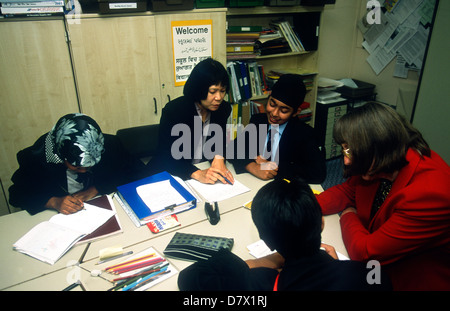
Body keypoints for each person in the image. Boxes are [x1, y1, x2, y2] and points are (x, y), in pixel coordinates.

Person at [316, 102, 450, 291]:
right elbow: (348, 191)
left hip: (407, 276)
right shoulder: (376, 159)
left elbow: (367, 253)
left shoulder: (431, 194)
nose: (346, 160)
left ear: (378, 147)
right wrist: (304, 206)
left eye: (350, 150)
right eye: (345, 149)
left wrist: (348, 214)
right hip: (376, 255)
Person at [177, 178, 391, 291]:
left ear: (267, 241)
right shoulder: (373, 274)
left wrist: (259, 262)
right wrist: (335, 267)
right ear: (322, 223)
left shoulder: (258, 282)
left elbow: (188, 278)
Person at [9, 113, 142, 215]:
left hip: (107, 210)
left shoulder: (109, 145)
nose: (83, 171)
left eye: (90, 165)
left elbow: (137, 172)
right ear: (61, 155)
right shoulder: (35, 158)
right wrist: (54, 202)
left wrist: (97, 188)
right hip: (58, 220)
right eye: (77, 167)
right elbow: (17, 195)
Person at [150, 58, 234, 185]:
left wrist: (219, 157)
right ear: (198, 89)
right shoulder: (174, 111)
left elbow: (219, 143)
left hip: (205, 171)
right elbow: (165, 157)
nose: (219, 98)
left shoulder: (223, 109)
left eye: (222, 91)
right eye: (213, 91)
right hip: (176, 174)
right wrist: (198, 174)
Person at [229, 74, 326, 184]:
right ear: (268, 98)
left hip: (283, 189)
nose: (274, 113)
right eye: (272, 104)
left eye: (284, 110)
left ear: (295, 112)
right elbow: (233, 148)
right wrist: (253, 167)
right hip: (254, 183)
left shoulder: (305, 134)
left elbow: (318, 174)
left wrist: (273, 166)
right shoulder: (258, 121)